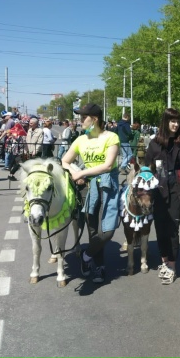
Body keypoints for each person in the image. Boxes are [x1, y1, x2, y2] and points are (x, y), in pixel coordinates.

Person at [61, 103, 120, 284]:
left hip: (108, 186)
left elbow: (107, 166)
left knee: (107, 231)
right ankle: (99, 266)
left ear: (94, 119)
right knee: (93, 230)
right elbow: (64, 161)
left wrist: (82, 172)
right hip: (88, 188)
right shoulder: (81, 140)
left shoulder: (111, 137)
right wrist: (75, 172)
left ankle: (86, 256)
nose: (80, 120)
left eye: (83, 117)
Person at [145, 108, 180, 285]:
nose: (175, 124)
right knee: (160, 227)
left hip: (178, 189)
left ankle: (172, 266)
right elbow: (148, 168)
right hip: (159, 190)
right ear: (165, 122)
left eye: (178, 121)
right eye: (172, 121)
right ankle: (164, 261)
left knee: (172, 228)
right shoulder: (154, 143)